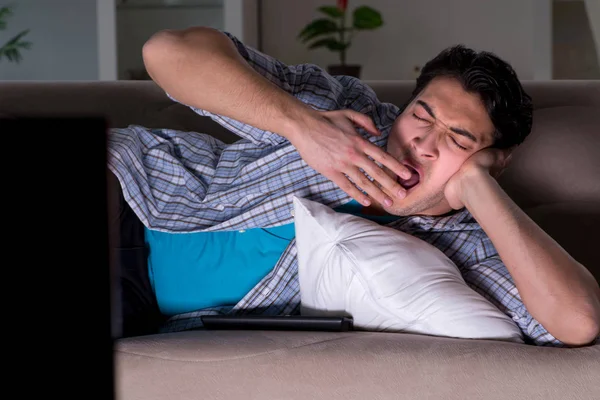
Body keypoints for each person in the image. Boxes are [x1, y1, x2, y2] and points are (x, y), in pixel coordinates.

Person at [107, 27, 600, 346]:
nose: (422, 144)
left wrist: (477, 186)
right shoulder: (347, 111)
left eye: (457, 140)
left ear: (494, 160)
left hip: (138, 301)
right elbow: (165, 52)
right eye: (420, 116)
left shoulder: (469, 242)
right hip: (129, 185)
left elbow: (579, 322)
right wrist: (303, 126)